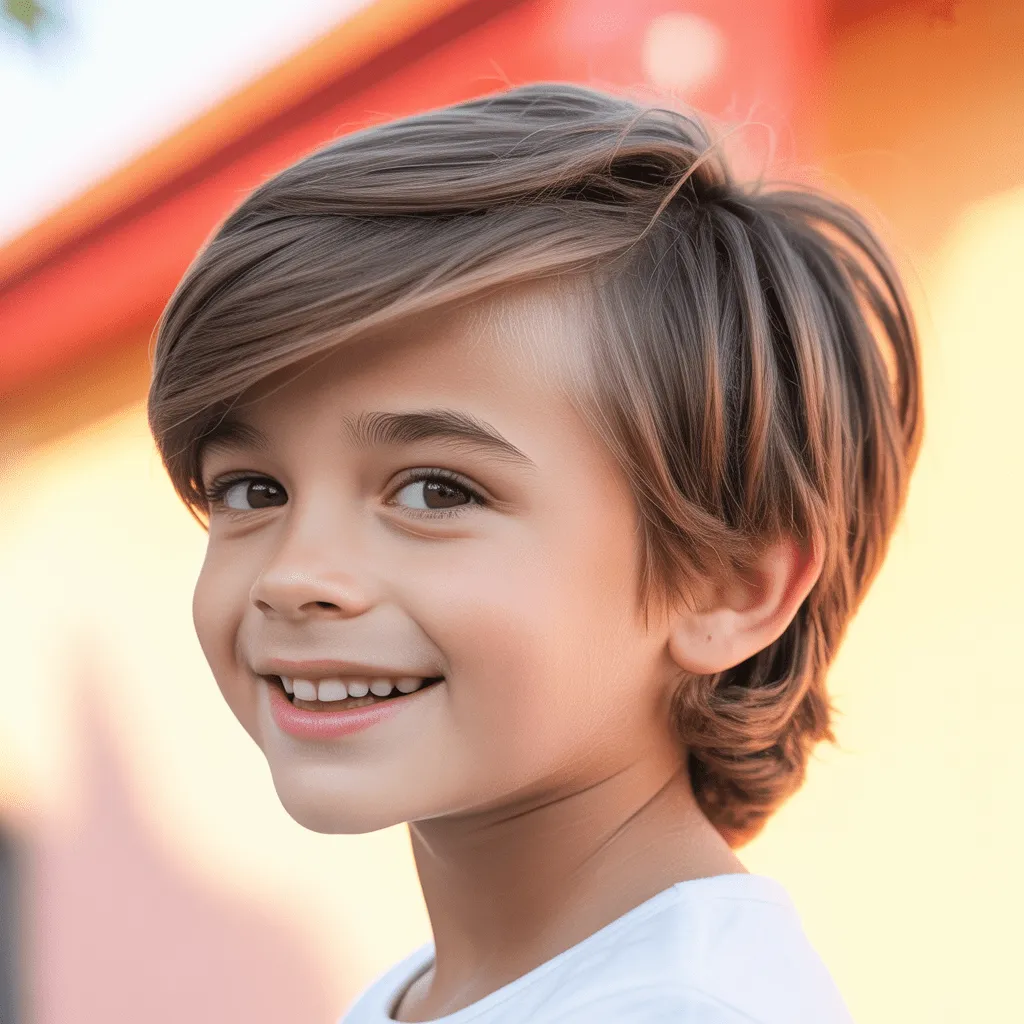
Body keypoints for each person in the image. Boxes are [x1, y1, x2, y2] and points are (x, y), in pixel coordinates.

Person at [147, 82, 922, 1023]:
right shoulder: (430, 993)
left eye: (437, 491)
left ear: (730, 588)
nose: (293, 575)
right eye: (251, 491)